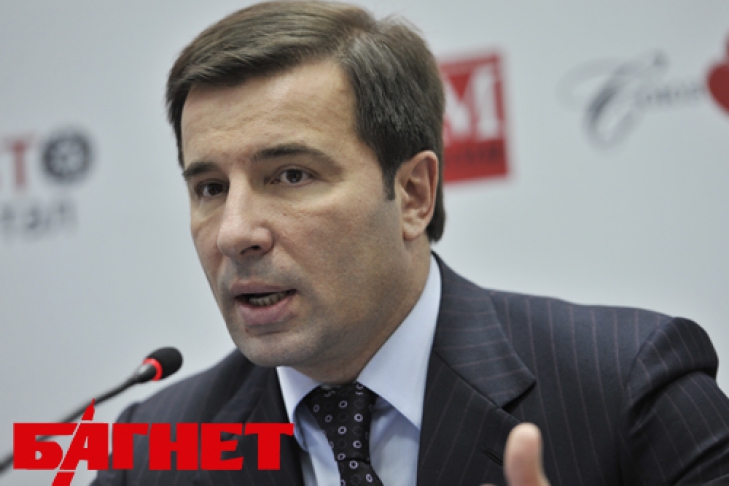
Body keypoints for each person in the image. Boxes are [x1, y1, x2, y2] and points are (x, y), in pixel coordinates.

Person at [92, 2, 729, 485]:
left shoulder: (630, 387)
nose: (235, 233)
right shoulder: (148, 452)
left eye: (290, 176)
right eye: (209, 187)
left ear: (414, 194)